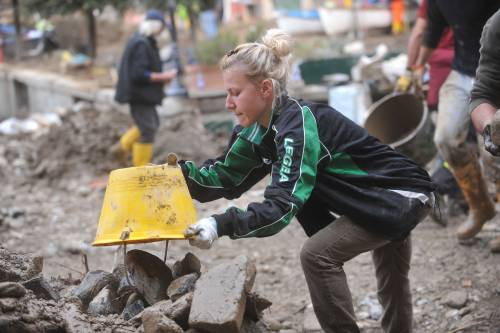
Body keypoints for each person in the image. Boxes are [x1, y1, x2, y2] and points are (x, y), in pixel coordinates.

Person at [181, 29, 436, 333]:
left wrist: (219, 224)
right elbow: (225, 177)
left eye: (235, 93)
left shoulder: (297, 128)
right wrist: (178, 177)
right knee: (391, 278)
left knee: (317, 256)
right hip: (372, 199)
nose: (228, 103)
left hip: (400, 193)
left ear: (265, 89)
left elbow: (281, 206)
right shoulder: (256, 130)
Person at [414, 0, 500, 241]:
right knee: (445, 137)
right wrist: (419, 66)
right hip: (463, 70)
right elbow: (431, 32)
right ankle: (480, 206)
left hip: (495, 74)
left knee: (491, 150)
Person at [396, 0, 466, 224]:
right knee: (461, 139)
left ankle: (446, 192)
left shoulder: (431, 3)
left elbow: (419, 32)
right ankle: (443, 189)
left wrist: (411, 68)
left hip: (442, 70)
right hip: (470, 66)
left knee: (447, 138)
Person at [114, 9, 177, 166]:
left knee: (150, 124)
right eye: (162, 28)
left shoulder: (142, 41)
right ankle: (140, 168)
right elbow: (139, 74)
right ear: (156, 27)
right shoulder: (142, 44)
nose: (163, 31)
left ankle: (121, 148)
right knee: (147, 129)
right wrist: (164, 77)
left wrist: (161, 78)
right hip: (139, 95)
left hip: (142, 94)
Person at [469, 9, 500, 253]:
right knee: (447, 137)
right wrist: (491, 129)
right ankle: (480, 207)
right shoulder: (497, 25)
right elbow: (483, 94)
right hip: (461, 65)